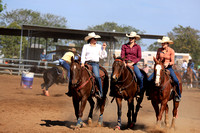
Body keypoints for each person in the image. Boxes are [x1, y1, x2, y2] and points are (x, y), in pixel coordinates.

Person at [148, 36, 181, 102]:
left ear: (167, 44)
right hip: (160, 67)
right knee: (149, 79)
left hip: (168, 68)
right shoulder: (159, 50)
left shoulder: (171, 51)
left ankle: (178, 95)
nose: (162, 44)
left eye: (164, 43)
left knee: (176, 80)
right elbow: (157, 59)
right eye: (162, 43)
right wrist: (156, 64)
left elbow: (172, 61)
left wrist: (168, 64)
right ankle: (149, 94)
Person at [80, 32, 107, 98]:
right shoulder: (86, 46)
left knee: (97, 76)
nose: (95, 40)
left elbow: (103, 56)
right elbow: (83, 55)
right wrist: (82, 63)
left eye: (96, 39)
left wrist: (103, 49)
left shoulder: (99, 46)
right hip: (87, 63)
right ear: (90, 39)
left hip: (95, 63)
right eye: (94, 39)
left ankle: (100, 92)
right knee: (77, 74)